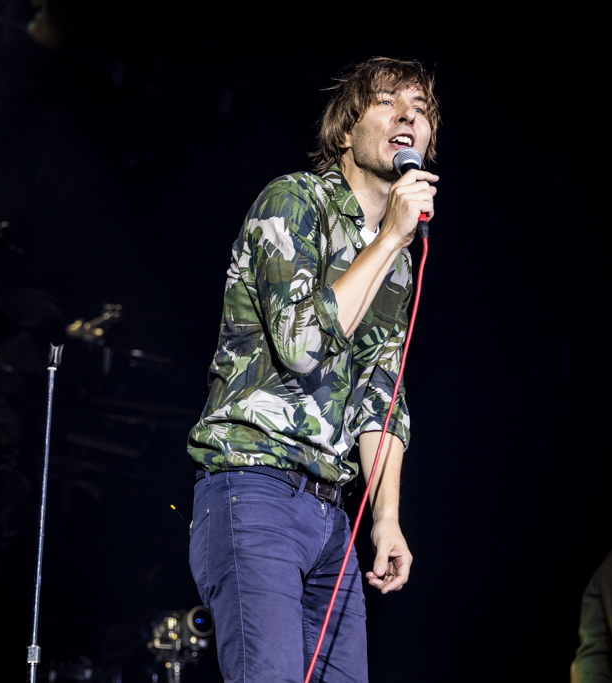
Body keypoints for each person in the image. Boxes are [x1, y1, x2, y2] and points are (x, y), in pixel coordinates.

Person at [186, 57, 439, 683]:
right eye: (387, 102)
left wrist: (386, 520)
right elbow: (299, 344)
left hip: (332, 517)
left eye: (420, 109)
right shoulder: (295, 201)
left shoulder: (398, 259)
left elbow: (382, 395)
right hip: (255, 488)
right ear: (346, 132)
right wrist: (390, 240)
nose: (408, 116)